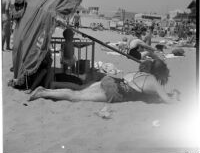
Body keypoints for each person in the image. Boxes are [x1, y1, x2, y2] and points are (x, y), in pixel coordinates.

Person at [29, 59, 180, 104]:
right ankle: (42, 94)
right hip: (114, 91)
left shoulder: (138, 72)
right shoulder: (153, 80)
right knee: (77, 97)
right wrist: (176, 96)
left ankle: (45, 91)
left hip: (110, 80)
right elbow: (168, 100)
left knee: (77, 93)